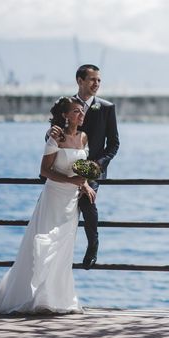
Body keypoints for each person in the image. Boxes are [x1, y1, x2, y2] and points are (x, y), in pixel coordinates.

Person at [0, 97, 95, 314]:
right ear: (65, 115)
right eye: (76, 111)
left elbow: (81, 168)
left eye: (82, 111)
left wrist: (84, 183)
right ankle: (32, 296)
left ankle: (58, 299)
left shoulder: (84, 137)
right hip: (54, 197)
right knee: (45, 242)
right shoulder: (56, 137)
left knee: (64, 247)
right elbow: (45, 171)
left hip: (71, 202)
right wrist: (72, 181)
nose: (81, 115)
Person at [49, 64, 120, 269]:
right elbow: (52, 132)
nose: (96, 83)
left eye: (99, 80)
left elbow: (114, 144)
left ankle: (92, 244)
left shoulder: (107, 108)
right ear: (79, 81)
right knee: (52, 209)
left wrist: (98, 165)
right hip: (65, 167)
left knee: (87, 203)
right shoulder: (65, 104)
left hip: (92, 170)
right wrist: (51, 134)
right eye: (92, 80)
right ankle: (53, 254)